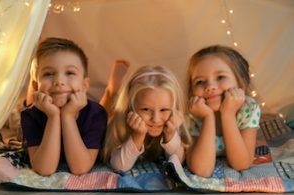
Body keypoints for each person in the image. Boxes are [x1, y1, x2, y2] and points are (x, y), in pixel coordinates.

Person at [20, 37, 108, 176]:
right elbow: (44, 169)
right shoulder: (30, 115)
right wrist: (53, 116)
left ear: (84, 85)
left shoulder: (96, 114)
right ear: (36, 86)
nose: (59, 81)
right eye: (48, 74)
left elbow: (81, 168)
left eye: (70, 73)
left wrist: (67, 116)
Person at [185, 45, 261, 177]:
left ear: (241, 83)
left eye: (220, 77)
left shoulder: (249, 108)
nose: (210, 87)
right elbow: (201, 170)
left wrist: (228, 114)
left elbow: (241, 164)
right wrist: (208, 117)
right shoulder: (193, 113)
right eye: (200, 82)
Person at [103, 66, 192, 172]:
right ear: (130, 108)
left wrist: (170, 135)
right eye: (146, 109)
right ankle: (111, 92)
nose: (155, 119)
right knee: (104, 113)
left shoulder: (172, 121)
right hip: (109, 115)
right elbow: (119, 166)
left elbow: (178, 162)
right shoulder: (121, 125)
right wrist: (138, 135)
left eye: (163, 110)